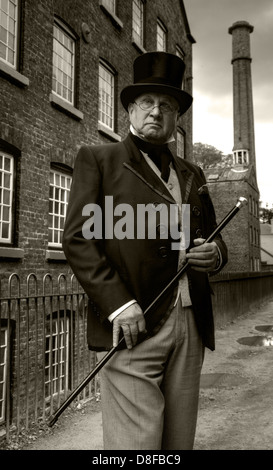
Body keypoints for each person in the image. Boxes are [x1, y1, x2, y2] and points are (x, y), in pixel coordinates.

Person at [62, 52, 228, 450]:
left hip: (190, 322)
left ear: (177, 118)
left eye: (167, 105)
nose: (157, 112)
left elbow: (214, 235)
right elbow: (79, 238)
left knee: (178, 442)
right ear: (131, 110)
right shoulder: (99, 161)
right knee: (134, 445)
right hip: (133, 324)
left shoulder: (193, 173)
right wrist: (119, 305)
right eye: (148, 103)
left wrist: (215, 253)